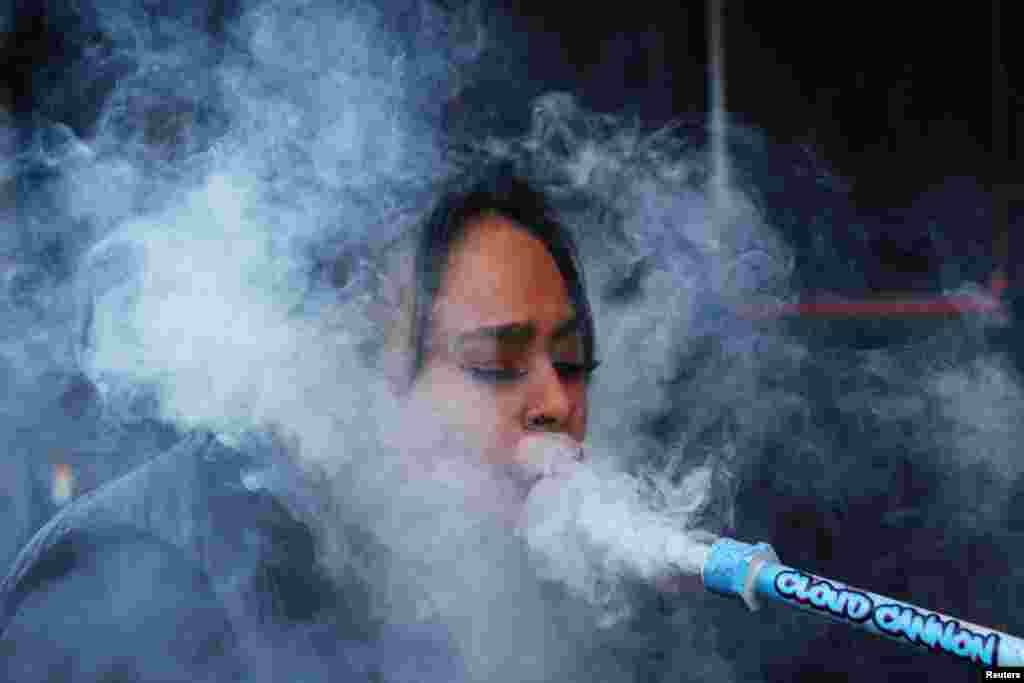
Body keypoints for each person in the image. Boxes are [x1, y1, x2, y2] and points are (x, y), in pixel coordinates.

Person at [0, 163, 602, 682]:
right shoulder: (144, 576)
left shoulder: (415, 570)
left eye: (572, 361)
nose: (557, 401)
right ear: (347, 370)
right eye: (495, 362)